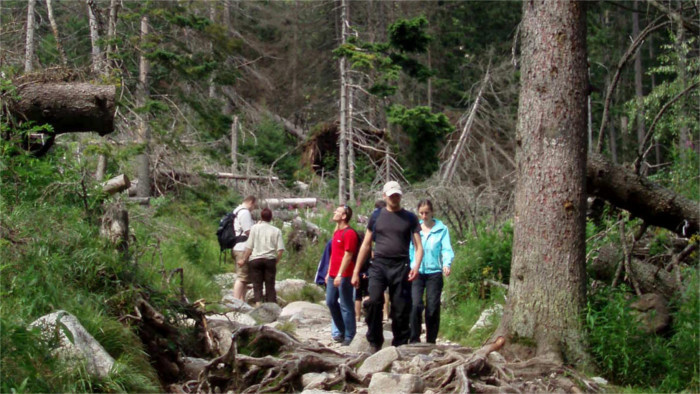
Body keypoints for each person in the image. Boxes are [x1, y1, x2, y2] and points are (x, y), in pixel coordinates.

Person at [352, 181, 423, 352]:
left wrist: (416, 266)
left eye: (397, 195)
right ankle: (374, 341)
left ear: (400, 196)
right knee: (374, 301)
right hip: (379, 264)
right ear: (384, 196)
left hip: (401, 264)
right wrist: (356, 271)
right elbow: (366, 244)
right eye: (391, 195)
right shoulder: (376, 216)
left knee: (400, 307)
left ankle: (399, 344)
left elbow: (419, 246)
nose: (394, 198)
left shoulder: (410, 217)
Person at [409, 199, 454, 344]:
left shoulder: (442, 229)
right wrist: (412, 265)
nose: (424, 216)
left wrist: (446, 264)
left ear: (432, 212)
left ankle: (431, 340)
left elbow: (446, 249)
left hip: (434, 271)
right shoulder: (415, 230)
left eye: (426, 213)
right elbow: (412, 250)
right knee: (415, 305)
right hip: (417, 271)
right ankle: (414, 338)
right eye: (421, 213)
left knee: (433, 307)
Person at [325, 205, 358, 346]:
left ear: (344, 216)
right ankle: (342, 330)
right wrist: (328, 273)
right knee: (331, 302)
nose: (334, 213)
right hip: (333, 274)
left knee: (346, 304)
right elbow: (333, 254)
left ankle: (350, 335)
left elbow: (348, 255)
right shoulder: (336, 232)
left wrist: (340, 274)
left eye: (337, 212)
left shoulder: (349, 233)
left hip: (344, 275)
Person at [237, 208, 285, 305]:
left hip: (255, 260)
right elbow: (280, 250)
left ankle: (258, 304)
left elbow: (249, 247)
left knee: (257, 283)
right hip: (270, 259)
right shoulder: (276, 231)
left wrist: (243, 259)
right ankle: (271, 305)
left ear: (261, 217)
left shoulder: (254, 228)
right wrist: (276, 261)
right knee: (270, 284)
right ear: (271, 218)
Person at [232, 196, 257, 300]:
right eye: (254, 205)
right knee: (242, 277)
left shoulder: (237, 210)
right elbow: (248, 231)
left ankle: (241, 300)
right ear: (251, 202)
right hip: (242, 248)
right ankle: (236, 301)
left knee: (245, 277)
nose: (254, 208)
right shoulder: (245, 213)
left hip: (237, 246)